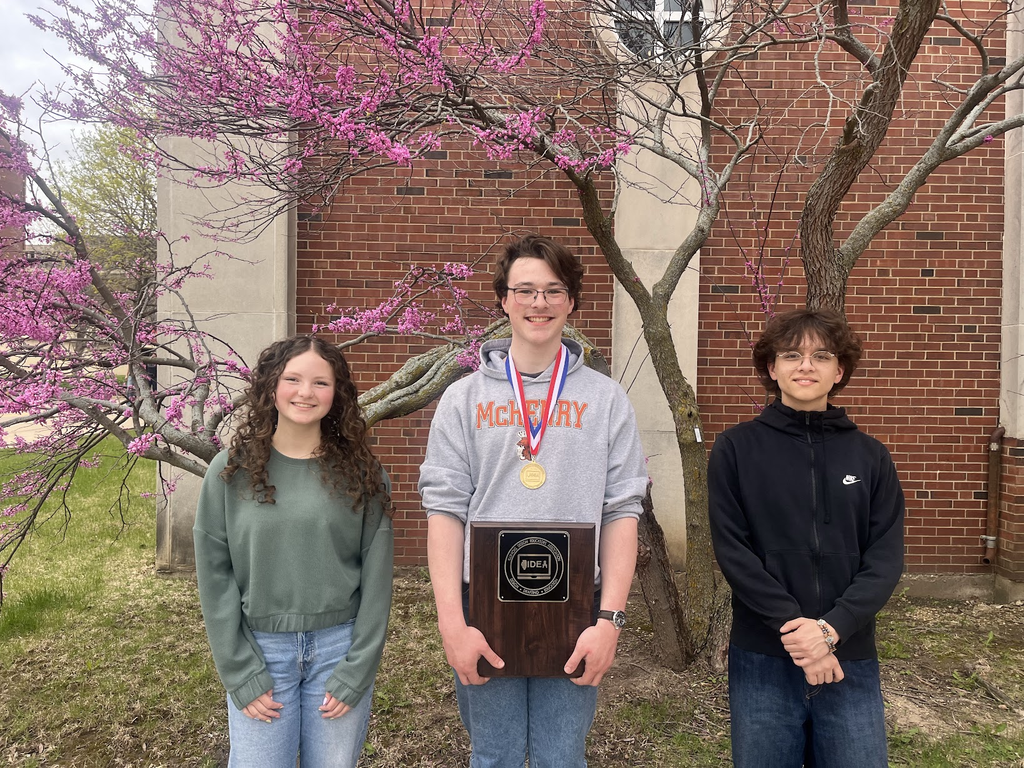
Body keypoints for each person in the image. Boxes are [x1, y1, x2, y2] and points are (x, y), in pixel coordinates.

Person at [418, 234, 649, 768]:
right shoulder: (464, 398)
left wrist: (610, 620)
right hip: (485, 607)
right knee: (493, 756)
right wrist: (453, 622)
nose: (538, 304)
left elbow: (621, 512)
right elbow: (445, 512)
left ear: (572, 301)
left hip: (575, 611)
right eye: (524, 290)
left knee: (561, 758)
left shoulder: (606, 399)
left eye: (552, 291)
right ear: (503, 299)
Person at [708, 309, 905, 767]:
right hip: (763, 655)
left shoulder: (872, 457)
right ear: (772, 368)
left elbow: (885, 558)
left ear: (839, 371)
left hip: (848, 656)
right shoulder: (736, 449)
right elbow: (733, 551)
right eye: (792, 354)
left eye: (821, 356)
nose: (806, 366)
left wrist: (831, 631)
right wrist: (798, 631)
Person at [194, 335, 394, 768]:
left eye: (321, 383)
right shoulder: (231, 471)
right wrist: (239, 669)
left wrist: (358, 667)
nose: (306, 392)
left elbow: (378, 578)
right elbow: (214, 573)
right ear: (270, 387)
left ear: (337, 394)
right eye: (293, 379)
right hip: (260, 651)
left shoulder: (363, 473)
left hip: (338, 650)